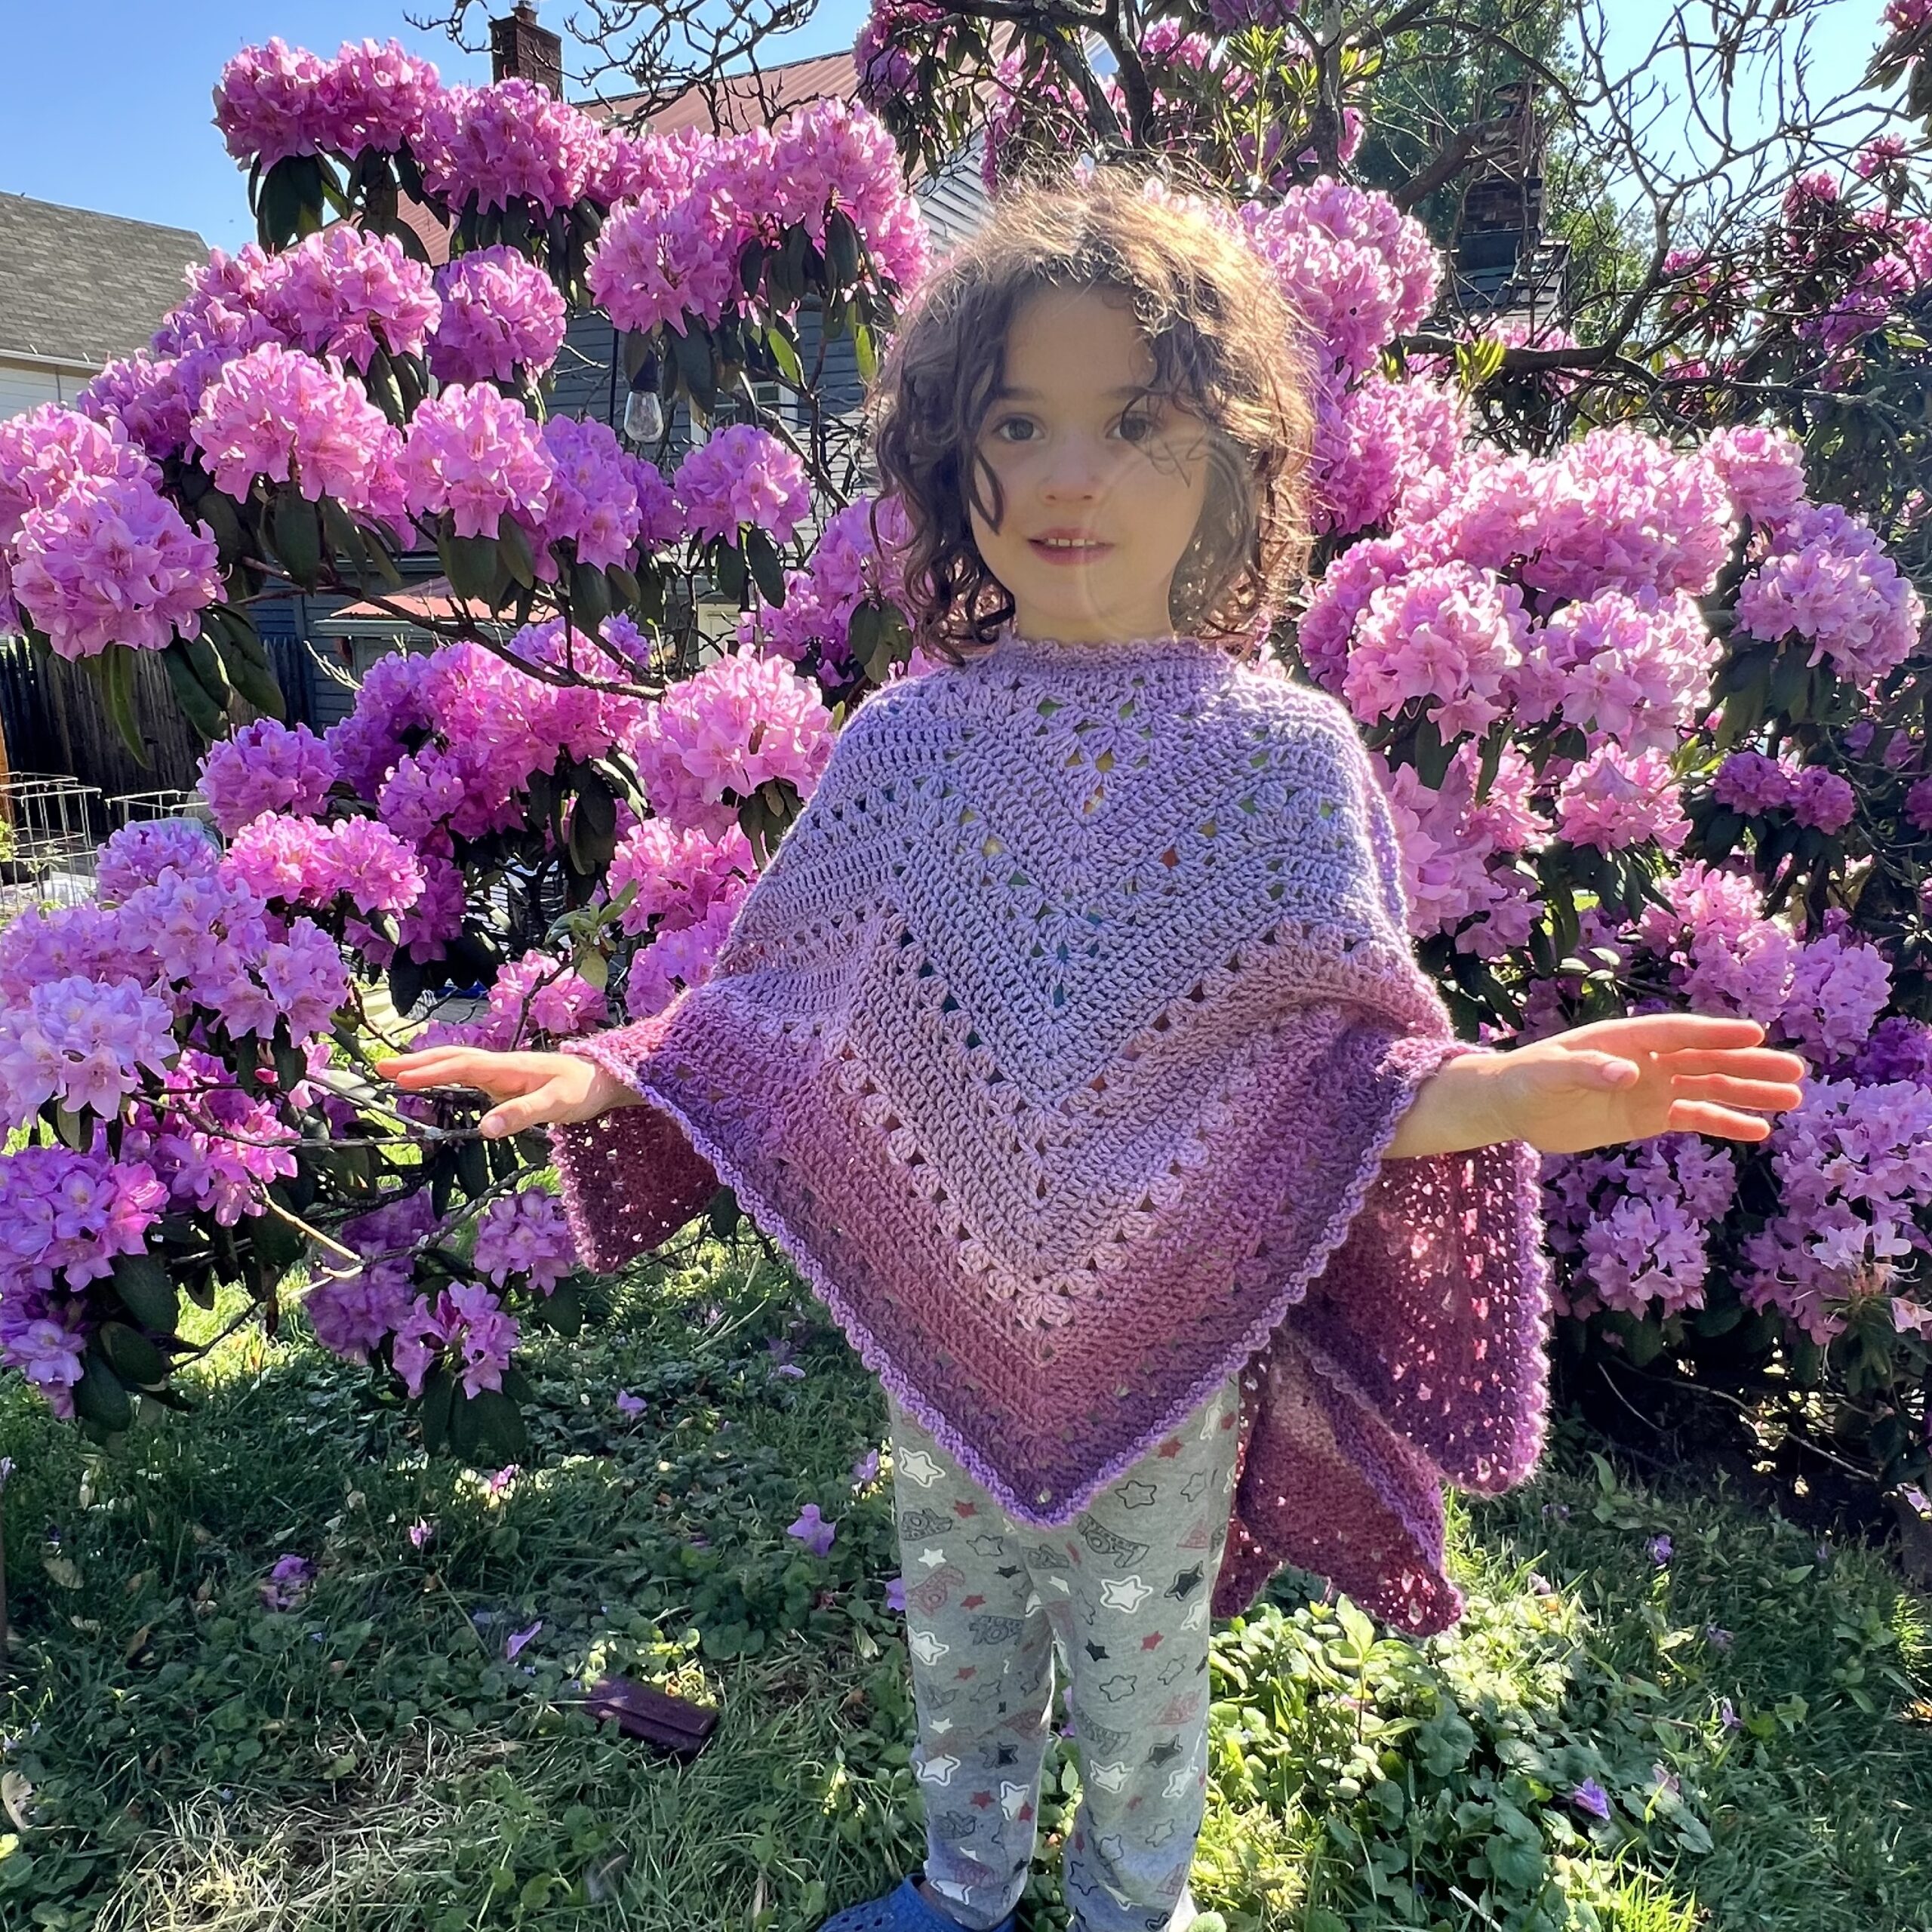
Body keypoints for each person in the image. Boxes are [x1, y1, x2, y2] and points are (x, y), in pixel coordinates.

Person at [379, 174, 1807, 1932]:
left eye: (1134, 423)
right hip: (940, 1336)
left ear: (1228, 459)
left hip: (1177, 1340)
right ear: (943, 460)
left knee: (1142, 1676)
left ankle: (1135, 1903)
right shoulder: (902, 745)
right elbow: (778, 1006)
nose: (1068, 476)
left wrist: (1519, 1090)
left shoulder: (1283, 757)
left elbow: (1335, 1074)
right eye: (1018, 422)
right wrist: (620, 1070)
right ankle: (964, 1887)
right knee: (958, 1634)